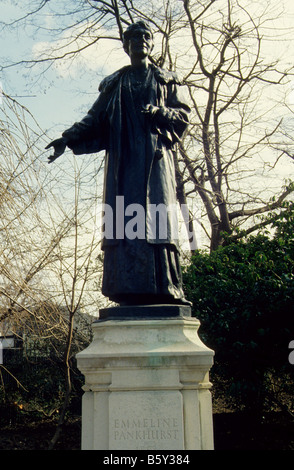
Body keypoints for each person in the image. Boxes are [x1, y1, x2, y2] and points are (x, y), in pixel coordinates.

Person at [46, 21, 191, 307]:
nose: (141, 40)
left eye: (146, 36)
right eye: (134, 37)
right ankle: (127, 288)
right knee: (123, 221)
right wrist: (67, 138)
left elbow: (183, 115)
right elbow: (94, 118)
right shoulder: (114, 84)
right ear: (126, 45)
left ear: (152, 43)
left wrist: (160, 112)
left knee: (157, 219)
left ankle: (164, 288)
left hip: (154, 163)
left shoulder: (167, 80)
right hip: (123, 166)